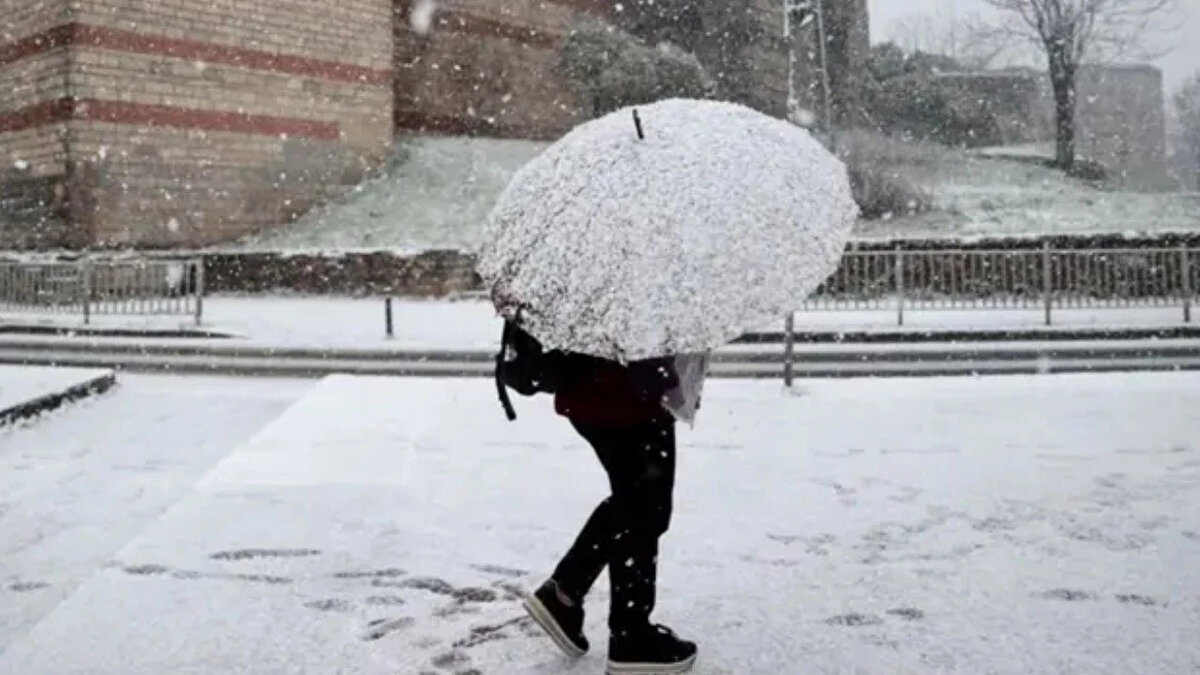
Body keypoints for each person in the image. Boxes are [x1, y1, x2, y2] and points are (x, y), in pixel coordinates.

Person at [522, 352, 708, 675]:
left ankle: (565, 594)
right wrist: (669, 382)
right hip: (626, 394)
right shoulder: (633, 309)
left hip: (596, 389)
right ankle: (631, 636)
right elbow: (640, 339)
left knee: (636, 502)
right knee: (645, 507)